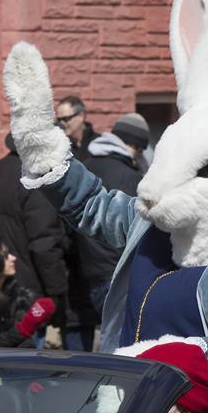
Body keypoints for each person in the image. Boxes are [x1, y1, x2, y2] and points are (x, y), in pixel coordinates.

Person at [1, 0, 208, 383]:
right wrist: (40, 143)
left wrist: (162, 360)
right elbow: (92, 205)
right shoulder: (154, 227)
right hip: (128, 409)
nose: (152, 190)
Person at [67, 113, 151, 351]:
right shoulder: (132, 176)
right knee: (122, 345)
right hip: (118, 268)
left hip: (87, 269)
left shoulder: (85, 165)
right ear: (135, 145)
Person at [0, 132, 69, 344]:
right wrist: (57, 291)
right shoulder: (34, 180)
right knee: (26, 361)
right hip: (27, 287)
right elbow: (44, 242)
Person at [56, 96, 97, 161]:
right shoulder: (59, 146)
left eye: (66, 119)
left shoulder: (98, 143)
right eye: (59, 120)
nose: (62, 123)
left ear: (81, 116)